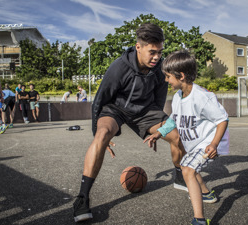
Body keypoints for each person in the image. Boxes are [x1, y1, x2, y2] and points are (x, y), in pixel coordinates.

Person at [73, 23, 186, 223]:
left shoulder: (160, 69)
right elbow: (100, 99)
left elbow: (159, 102)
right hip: (116, 109)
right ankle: (82, 197)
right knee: (102, 135)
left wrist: (159, 129)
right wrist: (97, 133)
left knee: (177, 134)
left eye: (160, 52)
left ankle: (179, 175)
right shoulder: (119, 67)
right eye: (152, 52)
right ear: (138, 47)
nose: (157, 57)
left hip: (145, 111)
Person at [144, 50, 230, 225]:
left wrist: (214, 144)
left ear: (181, 76)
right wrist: (159, 133)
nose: (166, 80)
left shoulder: (202, 97)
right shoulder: (177, 97)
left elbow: (222, 119)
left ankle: (199, 219)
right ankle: (207, 194)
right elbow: (173, 120)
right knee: (188, 166)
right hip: (195, 144)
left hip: (208, 143)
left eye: (168, 77)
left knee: (188, 170)